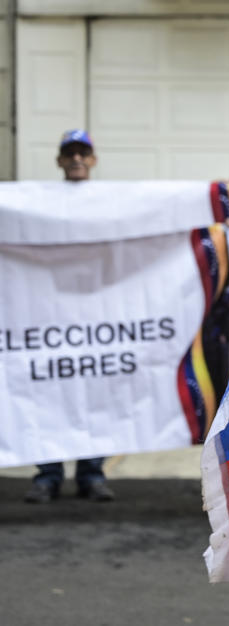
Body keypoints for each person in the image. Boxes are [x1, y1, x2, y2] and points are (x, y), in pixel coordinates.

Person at [23, 129, 115, 504]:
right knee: (50, 396)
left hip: (95, 313)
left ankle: (91, 474)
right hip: (50, 314)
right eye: (69, 153)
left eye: (83, 152)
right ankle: (48, 475)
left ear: (93, 160)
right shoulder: (41, 203)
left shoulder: (109, 204)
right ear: (59, 161)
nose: (77, 158)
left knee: (93, 394)